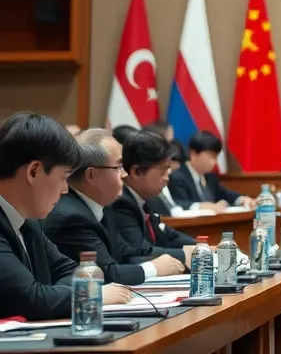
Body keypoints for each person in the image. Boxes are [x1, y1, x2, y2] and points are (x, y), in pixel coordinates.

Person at [0, 112, 131, 318]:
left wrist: (60, 293)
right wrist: (91, 294)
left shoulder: (29, 222)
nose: (65, 190)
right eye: (63, 178)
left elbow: (74, 271)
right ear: (33, 171)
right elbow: (31, 299)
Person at [43, 129, 184, 283]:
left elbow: (126, 255)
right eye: (118, 167)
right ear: (91, 175)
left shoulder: (105, 207)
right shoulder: (71, 217)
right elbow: (104, 273)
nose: (124, 174)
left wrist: (167, 262)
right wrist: (153, 268)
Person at [111, 129, 196, 265]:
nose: (167, 178)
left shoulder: (147, 197)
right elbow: (141, 249)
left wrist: (202, 246)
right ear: (136, 171)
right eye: (162, 171)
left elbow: (168, 235)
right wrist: (192, 254)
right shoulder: (121, 202)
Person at [168, 132, 254, 211]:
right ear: (193, 153)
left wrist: (241, 199)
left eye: (216, 157)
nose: (215, 162)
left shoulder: (211, 177)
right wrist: (201, 206)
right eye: (211, 156)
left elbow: (225, 194)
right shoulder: (177, 177)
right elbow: (177, 203)